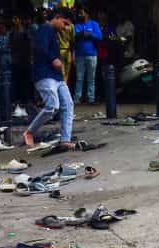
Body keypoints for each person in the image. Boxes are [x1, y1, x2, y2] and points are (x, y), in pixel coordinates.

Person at [25, 8, 76, 149]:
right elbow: (39, 48)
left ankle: (66, 139)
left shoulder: (52, 32)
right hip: (45, 75)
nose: (65, 28)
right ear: (58, 17)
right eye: (65, 24)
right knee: (52, 106)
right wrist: (53, 59)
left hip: (56, 76)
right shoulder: (45, 29)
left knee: (68, 105)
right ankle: (29, 132)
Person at [73, 8, 102, 103]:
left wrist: (89, 34)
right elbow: (75, 36)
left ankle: (91, 98)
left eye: (81, 13)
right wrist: (82, 34)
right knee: (79, 78)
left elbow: (99, 37)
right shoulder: (77, 25)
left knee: (91, 78)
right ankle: (77, 99)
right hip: (79, 55)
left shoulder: (94, 24)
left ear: (87, 14)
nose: (79, 15)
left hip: (92, 54)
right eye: (79, 13)